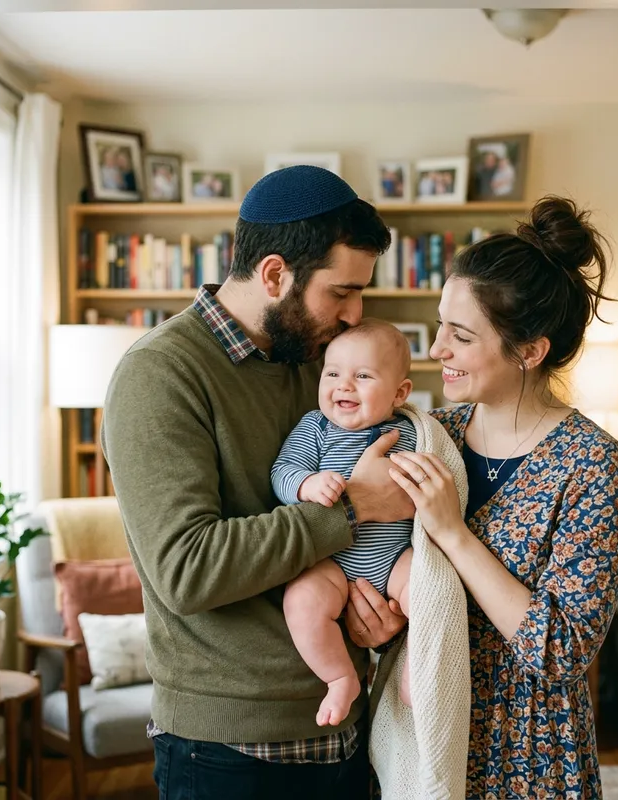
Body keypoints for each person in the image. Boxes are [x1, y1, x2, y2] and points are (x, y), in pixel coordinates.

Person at [101, 165, 412, 800]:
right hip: (227, 747)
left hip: (343, 721)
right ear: (275, 275)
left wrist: (379, 619)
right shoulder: (159, 374)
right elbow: (187, 571)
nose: (354, 317)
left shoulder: (319, 362)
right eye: (341, 293)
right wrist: (352, 505)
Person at [369, 196, 618, 798]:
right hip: (426, 736)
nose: (437, 349)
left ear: (529, 351)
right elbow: (371, 550)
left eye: (460, 335)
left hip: (528, 754)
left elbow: (561, 650)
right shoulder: (431, 435)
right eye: (441, 325)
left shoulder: (592, 464)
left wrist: (455, 534)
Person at [272, 320, 417, 729]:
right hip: (332, 563)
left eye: (363, 376)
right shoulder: (316, 429)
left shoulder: (411, 431)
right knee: (301, 602)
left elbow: (441, 478)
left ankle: (416, 669)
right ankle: (340, 678)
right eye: (332, 373)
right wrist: (306, 484)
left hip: (394, 559)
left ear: (399, 393)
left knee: (432, 591)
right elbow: (283, 471)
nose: (343, 386)